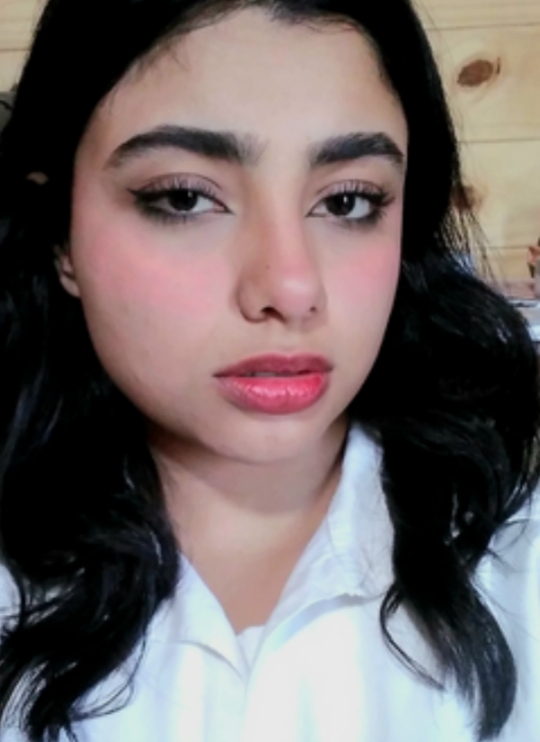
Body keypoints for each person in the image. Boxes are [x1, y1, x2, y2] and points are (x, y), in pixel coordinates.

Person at [0, 0, 539, 740]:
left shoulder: (520, 556)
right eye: (184, 198)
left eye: (348, 201)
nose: (290, 287)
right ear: (61, 234)